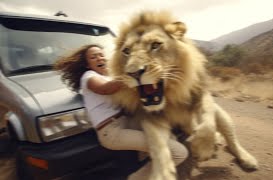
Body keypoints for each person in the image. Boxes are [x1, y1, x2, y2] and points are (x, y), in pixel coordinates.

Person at [54, 44, 188, 180]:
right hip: (111, 132)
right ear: (87, 64)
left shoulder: (110, 76)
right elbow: (105, 89)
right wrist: (132, 73)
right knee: (178, 152)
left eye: (101, 55)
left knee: (169, 137)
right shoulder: (88, 76)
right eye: (93, 57)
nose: (99, 58)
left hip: (126, 122)